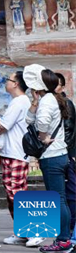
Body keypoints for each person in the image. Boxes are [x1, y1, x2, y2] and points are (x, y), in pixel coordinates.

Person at [26, 66, 72, 252]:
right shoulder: (50, 99)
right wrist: (35, 103)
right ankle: (64, 239)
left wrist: (43, 136)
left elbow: (42, 122)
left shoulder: (48, 101)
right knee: (60, 199)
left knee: (58, 200)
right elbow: (29, 120)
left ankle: (63, 241)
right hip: (58, 154)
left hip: (52, 156)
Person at [0, 70, 41, 247]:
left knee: (17, 193)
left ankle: (36, 231)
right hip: (12, 152)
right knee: (12, 193)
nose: (6, 82)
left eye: (8, 79)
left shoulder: (19, 101)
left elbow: (4, 126)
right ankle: (21, 233)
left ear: (16, 84)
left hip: (16, 153)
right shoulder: (18, 101)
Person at [56, 73, 76, 236]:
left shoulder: (66, 103)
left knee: (70, 192)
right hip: (62, 152)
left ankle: (70, 226)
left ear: (62, 86)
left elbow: (68, 130)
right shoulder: (54, 102)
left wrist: (66, 152)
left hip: (65, 154)